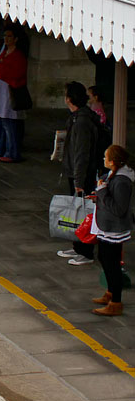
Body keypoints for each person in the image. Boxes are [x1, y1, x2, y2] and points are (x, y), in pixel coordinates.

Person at [89, 145, 133, 316]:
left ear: (113, 161)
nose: (103, 159)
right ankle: (111, 293)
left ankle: (116, 301)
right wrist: (98, 195)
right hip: (106, 225)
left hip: (114, 227)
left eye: (106, 157)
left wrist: (102, 193)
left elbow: (119, 208)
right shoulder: (113, 175)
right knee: (104, 258)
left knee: (111, 263)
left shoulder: (121, 181)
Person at [0, 26, 28, 163]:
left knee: (9, 123)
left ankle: (12, 152)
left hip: (9, 90)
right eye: (5, 36)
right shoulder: (4, 52)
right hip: (0, 88)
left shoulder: (18, 55)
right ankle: (0, 147)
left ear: (16, 39)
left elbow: (18, 74)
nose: (6, 39)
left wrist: (1, 69)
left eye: (9, 36)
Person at [63, 81, 106, 195]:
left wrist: (79, 182)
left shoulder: (81, 122)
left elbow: (82, 153)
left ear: (69, 99)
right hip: (81, 172)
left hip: (83, 175)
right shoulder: (80, 117)